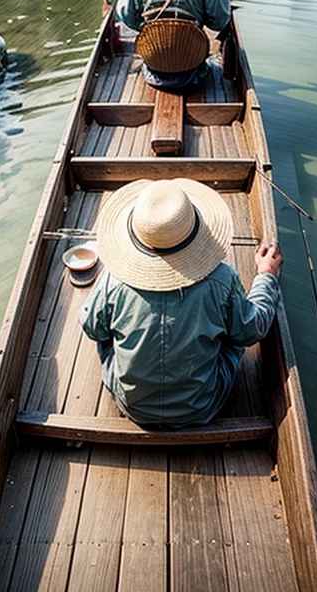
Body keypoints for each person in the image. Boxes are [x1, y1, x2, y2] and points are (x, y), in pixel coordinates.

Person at [79, 177, 283, 429]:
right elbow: (252, 329)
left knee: (104, 331)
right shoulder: (222, 279)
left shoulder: (113, 279)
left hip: (133, 406)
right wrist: (266, 277)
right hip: (202, 405)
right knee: (233, 334)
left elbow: (91, 327)